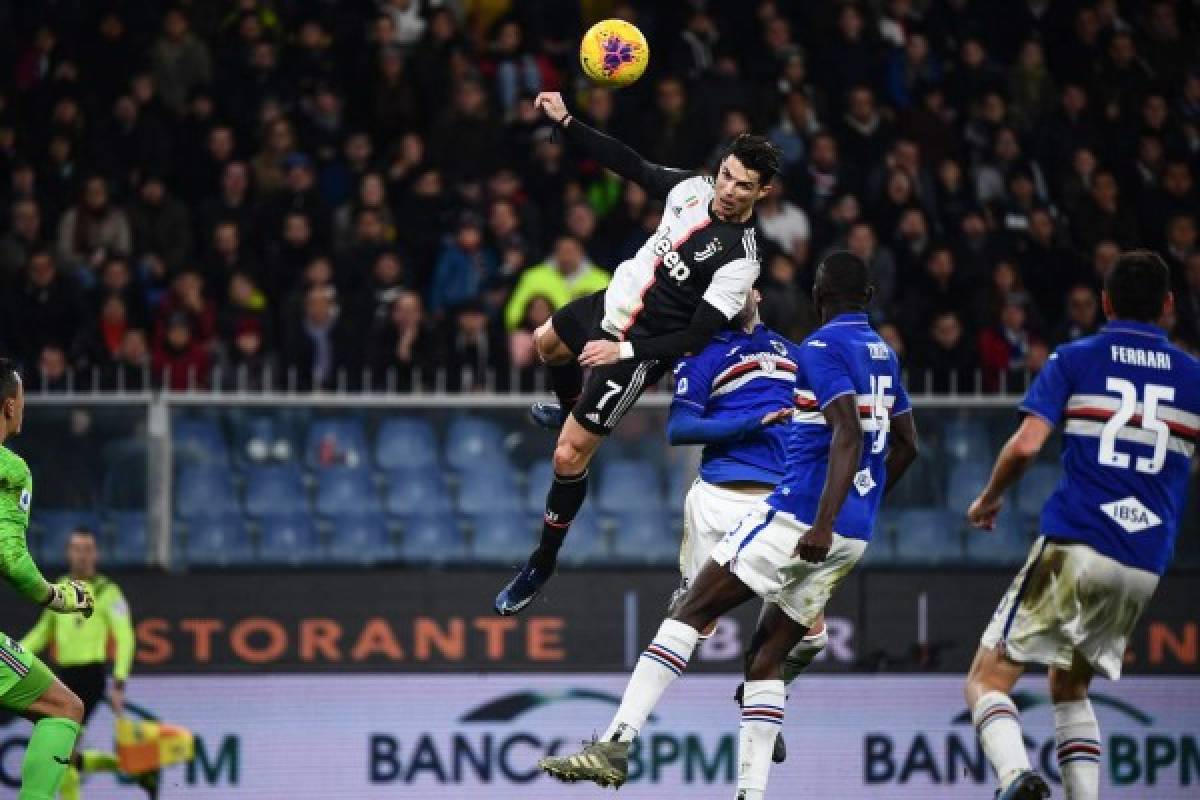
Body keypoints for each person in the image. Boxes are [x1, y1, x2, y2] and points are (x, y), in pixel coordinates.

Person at [538, 252, 918, 799]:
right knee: (747, 647)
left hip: (796, 512)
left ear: (798, 292)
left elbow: (846, 436)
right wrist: (854, 505)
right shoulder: (873, 355)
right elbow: (902, 445)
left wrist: (825, 515)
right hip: (800, 518)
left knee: (713, 617)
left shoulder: (808, 349)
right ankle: (742, 782)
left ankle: (621, 743)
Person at [495, 91, 778, 615]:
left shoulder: (740, 262)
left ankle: (542, 562)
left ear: (762, 192)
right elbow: (631, 164)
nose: (728, 191)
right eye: (727, 175)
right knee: (543, 343)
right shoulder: (693, 189)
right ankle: (568, 404)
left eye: (744, 185)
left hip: (639, 349)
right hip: (613, 303)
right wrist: (568, 121)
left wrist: (621, 349)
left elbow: (693, 338)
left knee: (567, 454)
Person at [964, 250, 1200, 800]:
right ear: (1168, 306)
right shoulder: (1193, 378)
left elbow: (1026, 445)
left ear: (1105, 302)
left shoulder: (1077, 359)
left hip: (1077, 541)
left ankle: (1016, 776)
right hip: (1144, 561)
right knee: (1069, 685)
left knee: (986, 679)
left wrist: (989, 497)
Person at [668, 287, 828, 765]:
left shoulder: (791, 352)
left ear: (756, 291)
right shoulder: (701, 353)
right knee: (694, 624)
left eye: (740, 284)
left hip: (781, 504)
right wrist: (752, 422)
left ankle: (762, 691)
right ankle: (625, 727)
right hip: (721, 495)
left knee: (813, 636)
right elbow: (679, 429)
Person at [0, 358, 96, 799]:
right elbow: (13, 561)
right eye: (23, 400)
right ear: (8, 407)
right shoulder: (12, 469)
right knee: (63, 708)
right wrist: (60, 597)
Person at [22, 528, 158, 799]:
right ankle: (135, 769)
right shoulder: (59, 589)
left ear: (95, 554)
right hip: (62, 677)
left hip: (90, 677)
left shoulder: (109, 592)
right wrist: (15, 655)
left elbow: (125, 637)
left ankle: (135, 769)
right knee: (65, 754)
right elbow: (41, 633)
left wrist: (119, 682)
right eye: (76, 549)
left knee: (62, 752)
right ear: (68, 553)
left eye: (87, 549)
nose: (82, 555)